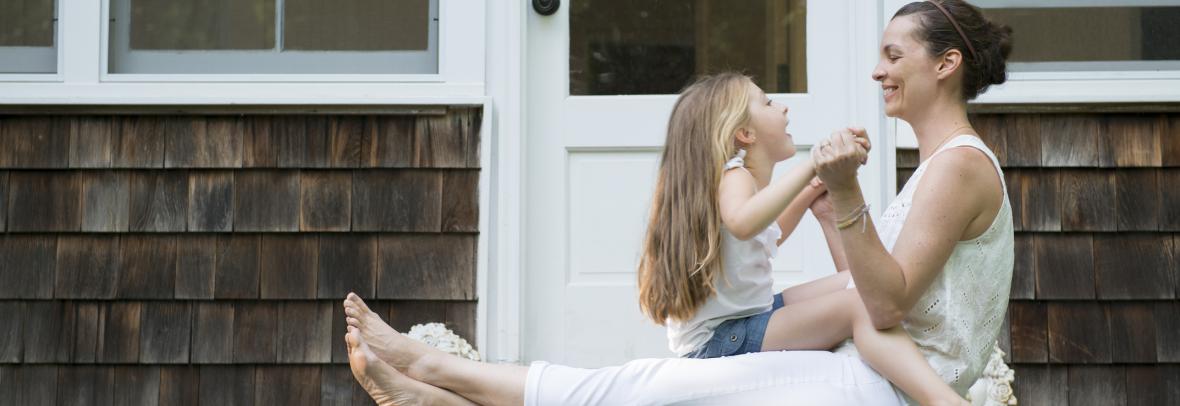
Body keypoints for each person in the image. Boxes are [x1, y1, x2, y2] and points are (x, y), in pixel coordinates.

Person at [341, 0, 1015, 404]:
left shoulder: (956, 167)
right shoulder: (938, 168)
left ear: (945, 64)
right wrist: (831, 203)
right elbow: (865, 288)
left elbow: (883, 304)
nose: (877, 69)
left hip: (881, 389)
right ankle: (433, 379)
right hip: (866, 371)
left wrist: (841, 195)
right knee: (642, 389)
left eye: (894, 55)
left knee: (642, 390)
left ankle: (434, 372)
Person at [633, 72, 964, 405]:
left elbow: (765, 234)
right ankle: (941, 400)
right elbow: (743, 224)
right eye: (768, 102)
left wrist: (817, 186)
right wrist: (812, 166)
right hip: (723, 340)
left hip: (743, 323)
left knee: (861, 283)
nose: (784, 108)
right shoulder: (735, 176)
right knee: (859, 303)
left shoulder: (735, 183)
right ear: (745, 133)